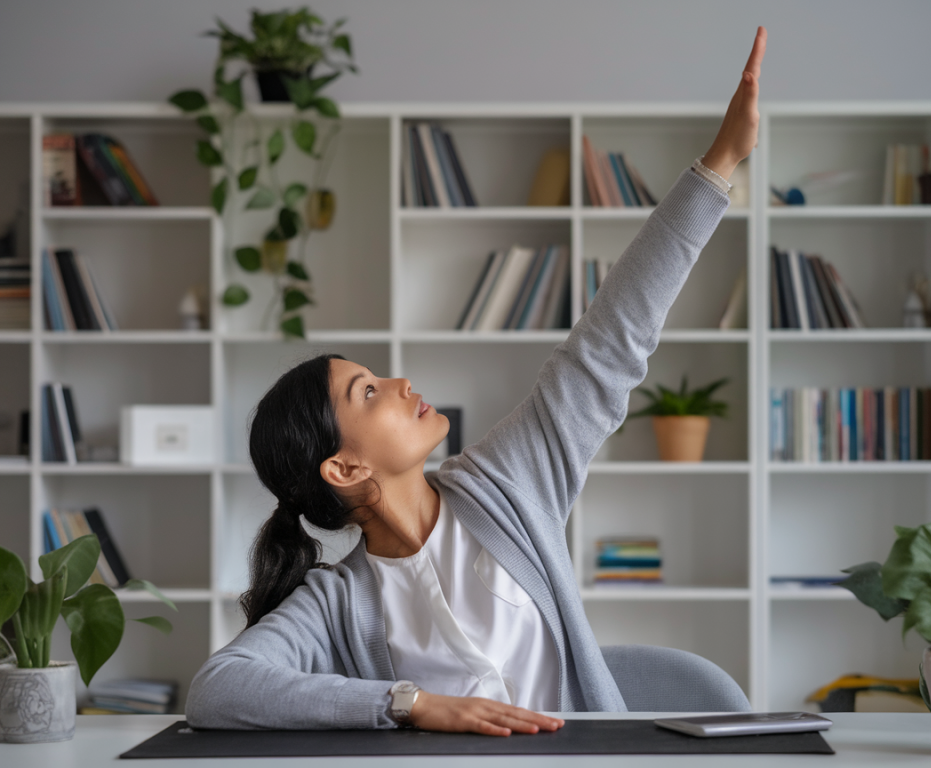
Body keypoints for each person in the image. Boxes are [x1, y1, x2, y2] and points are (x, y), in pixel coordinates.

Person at [185, 26, 766, 736]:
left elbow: (614, 335)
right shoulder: (336, 604)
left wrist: (719, 163)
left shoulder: (508, 485)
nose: (400, 383)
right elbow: (216, 690)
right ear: (344, 466)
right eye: (366, 391)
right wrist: (409, 702)